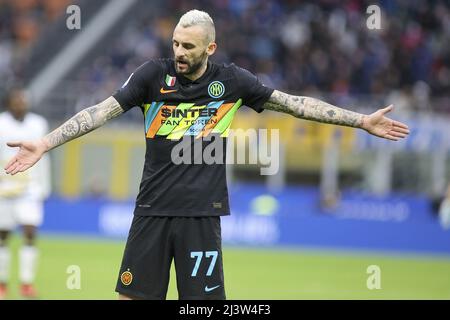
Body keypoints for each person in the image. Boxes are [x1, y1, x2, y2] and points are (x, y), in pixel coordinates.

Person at [3, 10, 409, 300]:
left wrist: (360, 121)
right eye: (175, 43)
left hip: (202, 214)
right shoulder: (150, 76)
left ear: (209, 47)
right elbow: (98, 112)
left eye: (188, 47)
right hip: (151, 211)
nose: (179, 52)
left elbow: (296, 104)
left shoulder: (232, 81)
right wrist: (46, 143)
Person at [0, 88, 51, 299]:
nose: (20, 103)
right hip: (4, 188)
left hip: (30, 188)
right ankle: (2, 283)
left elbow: (44, 155)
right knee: (3, 236)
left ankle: (26, 283)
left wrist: (45, 187)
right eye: (16, 100)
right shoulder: (1, 123)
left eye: (23, 100)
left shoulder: (38, 123)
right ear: (9, 102)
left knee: (30, 232)